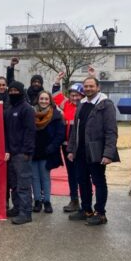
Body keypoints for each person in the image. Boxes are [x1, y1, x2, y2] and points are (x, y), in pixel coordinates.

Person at [67, 77, 119, 226]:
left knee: (99, 181)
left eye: (91, 86)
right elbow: (74, 130)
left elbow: (111, 131)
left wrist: (108, 154)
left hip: (96, 151)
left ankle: (101, 213)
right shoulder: (82, 104)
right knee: (82, 181)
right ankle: (86, 210)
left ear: (98, 87)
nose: (88, 89)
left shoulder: (105, 105)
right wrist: (71, 149)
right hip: (80, 151)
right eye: (86, 86)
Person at [52, 72, 85, 212]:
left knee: (82, 174)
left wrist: (93, 76)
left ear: (82, 96)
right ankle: (74, 201)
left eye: (77, 95)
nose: (74, 97)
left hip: (82, 147)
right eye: (72, 94)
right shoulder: (67, 105)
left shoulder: (86, 106)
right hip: (67, 147)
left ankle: (85, 202)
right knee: (71, 174)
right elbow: (55, 96)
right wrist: (57, 81)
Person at [4, 81, 35, 225]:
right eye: (11, 90)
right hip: (10, 153)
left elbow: (30, 131)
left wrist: (27, 151)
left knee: (23, 185)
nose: (13, 93)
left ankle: (26, 212)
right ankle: (16, 208)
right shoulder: (9, 108)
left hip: (22, 154)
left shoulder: (27, 109)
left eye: (16, 90)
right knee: (14, 184)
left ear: (22, 91)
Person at [31, 91, 65, 214]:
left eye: (46, 99)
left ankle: (47, 201)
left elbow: (60, 134)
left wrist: (52, 147)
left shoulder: (56, 115)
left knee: (45, 177)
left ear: (50, 100)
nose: (44, 101)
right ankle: (37, 201)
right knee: (34, 177)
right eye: (41, 98)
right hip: (34, 150)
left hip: (48, 150)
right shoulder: (31, 113)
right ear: (38, 99)